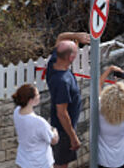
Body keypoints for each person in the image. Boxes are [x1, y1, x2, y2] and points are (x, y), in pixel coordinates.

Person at [45, 31, 91, 168]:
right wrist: (73, 137)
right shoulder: (62, 82)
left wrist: (76, 36)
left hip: (62, 129)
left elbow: (60, 37)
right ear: (71, 58)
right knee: (61, 164)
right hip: (63, 131)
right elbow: (62, 113)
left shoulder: (54, 62)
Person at [13, 84, 58, 168]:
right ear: (31, 100)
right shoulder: (39, 122)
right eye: (37, 94)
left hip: (23, 161)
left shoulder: (17, 112)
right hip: (40, 163)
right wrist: (54, 130)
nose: (39, 96)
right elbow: (53, 140)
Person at [99, 66, 124, 168]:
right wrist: (122, 91)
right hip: (123, 158)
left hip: (104, 160)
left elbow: (97, 85)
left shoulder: (99, 109)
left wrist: (110, 69)